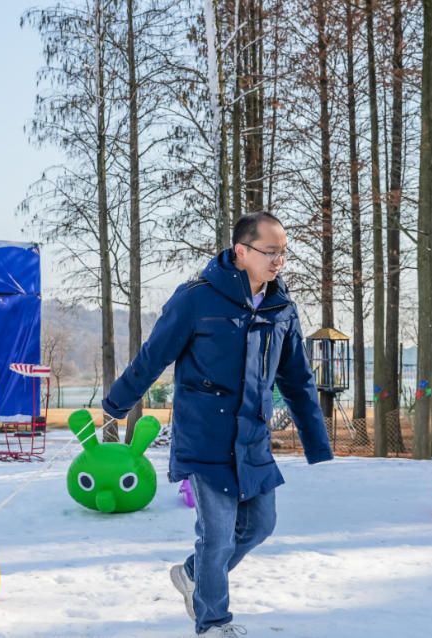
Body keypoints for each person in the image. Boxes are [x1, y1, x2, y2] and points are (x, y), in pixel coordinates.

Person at [101, 212, 333, 637]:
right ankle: (213, 622)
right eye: (270, 251)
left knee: (261, 524)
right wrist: (117, 404)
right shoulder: (196, 299)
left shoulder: (282, 308)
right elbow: (153, 356)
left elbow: (297, 379)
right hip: (205, 439)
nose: (279, 260)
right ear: (241, 251)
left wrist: (316, 441)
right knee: (218, 534)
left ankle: (193, 575)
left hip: (252, 440)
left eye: (283, 252)